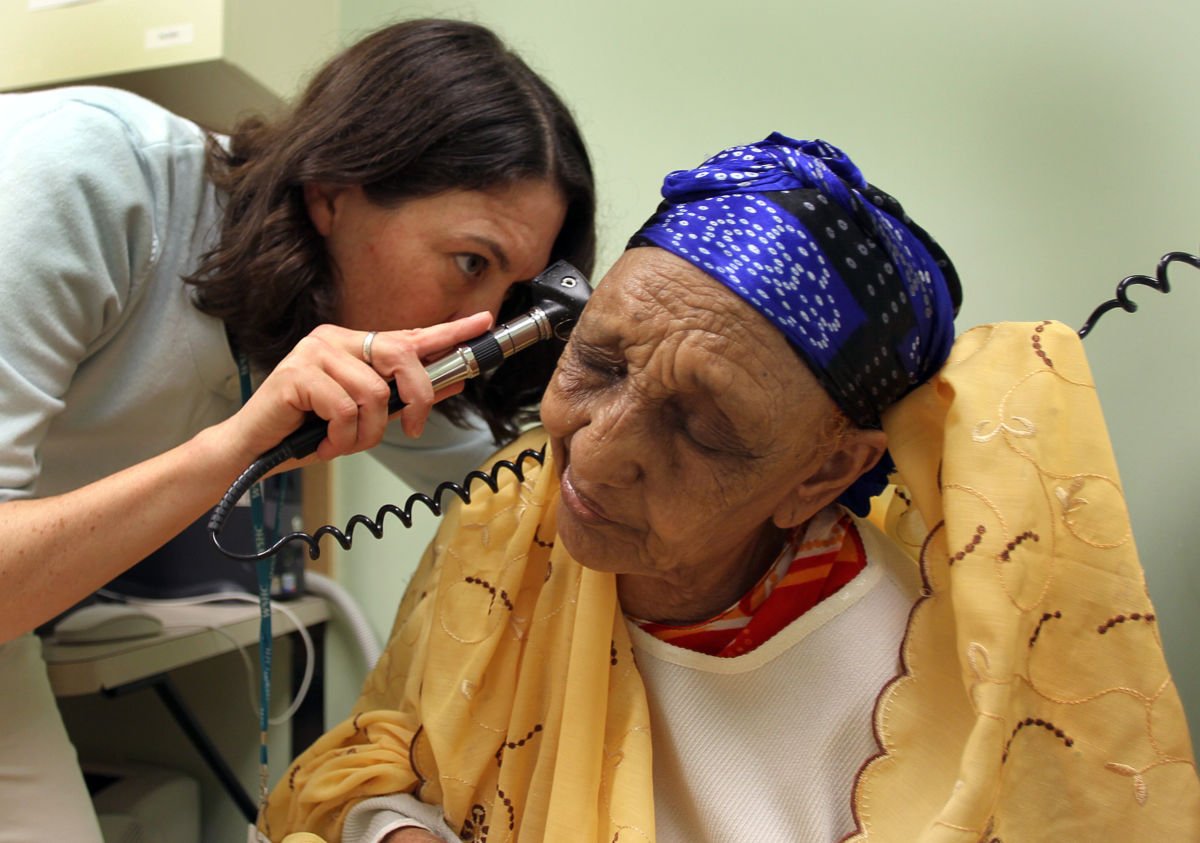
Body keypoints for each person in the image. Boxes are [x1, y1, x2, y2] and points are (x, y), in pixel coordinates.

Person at [264, 134, 1200, 842]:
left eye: (703, 427)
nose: (601, 449)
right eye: (596, 359)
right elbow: (390, 759)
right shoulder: (508, 531)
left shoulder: (920, 680)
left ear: (822, 471)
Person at [0, 18, 594, 841]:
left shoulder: (351, 326)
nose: (481, 326)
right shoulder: (88, 178)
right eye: (469, 261)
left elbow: (519, 492)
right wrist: (238, 447)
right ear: (333, 192)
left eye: (513, 289)